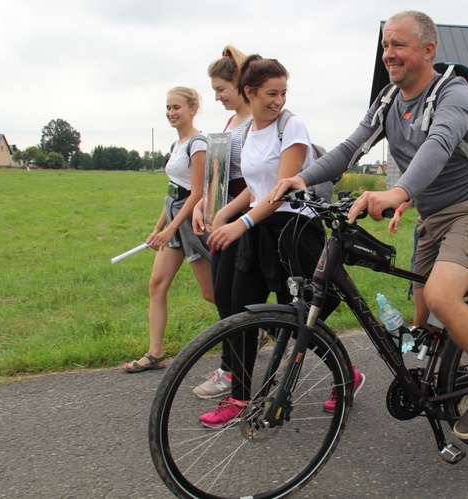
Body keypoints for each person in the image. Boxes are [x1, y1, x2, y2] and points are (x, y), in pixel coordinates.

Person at [273, 10, 468, 440]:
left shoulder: (452, 92)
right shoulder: (388, 99)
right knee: (422, 324)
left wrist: (398, 193)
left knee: (441, 298)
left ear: (428, 49)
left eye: (398, 45)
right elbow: (350, 147)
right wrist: (302, 178)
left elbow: (438, 145)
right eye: (385, 46)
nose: (389, 54)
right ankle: (446, 380)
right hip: (434, 219)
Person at [198, 55, 353, 428]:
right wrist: (225, 214)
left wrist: (241, 224)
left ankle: (346, 375)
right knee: (239, 312)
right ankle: (239, 397)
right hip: (260, 228)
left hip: (293, 231)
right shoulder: (247, 131)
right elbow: (256, 186)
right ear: (249, 93)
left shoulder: (292, 127)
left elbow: (282, 190)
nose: (279, 100)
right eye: (271, 93)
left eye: (283, 92)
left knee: (295, 320)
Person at [124, 87, 214, 373]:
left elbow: (196, 193)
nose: (171, 113)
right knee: (156, 284)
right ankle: (156, 353)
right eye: (168, 108)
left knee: (210, 293)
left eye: (176, 107)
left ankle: (253, 329)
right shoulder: (178, 144)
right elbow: (174, 192)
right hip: (175, 221)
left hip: (192, 223)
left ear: (192, 109)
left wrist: (172, 227)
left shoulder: (198, 144)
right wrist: (158, 228)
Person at [190, 45, 254, 398]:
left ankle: (231, 373)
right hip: (224, 217)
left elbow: (258, 179)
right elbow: (220, 174)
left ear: (239, 83)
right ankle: (232, 369)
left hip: (245, 221)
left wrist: (227, 212)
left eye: (221, 90)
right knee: (225, 298)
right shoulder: (231, 122)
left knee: (233, 300)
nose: (216, 98)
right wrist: (203, 202)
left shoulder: (256, 122)